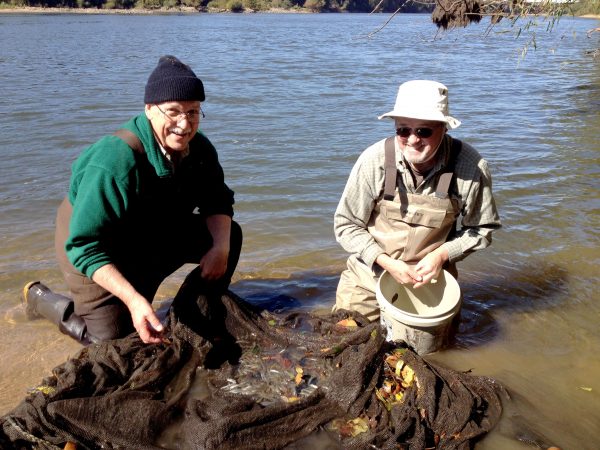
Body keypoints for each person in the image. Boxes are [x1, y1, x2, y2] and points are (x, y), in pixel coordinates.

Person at [23, 55, 242, 345]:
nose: (184, 124)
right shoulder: (114, 161)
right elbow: (84, 246)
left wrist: (221, 247)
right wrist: (133, 300)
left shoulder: (199, 148)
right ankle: (40, 298)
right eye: (173, 111)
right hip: (94, 244)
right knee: (111, 342)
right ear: (149, 109)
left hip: (147, 232)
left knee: (228, 236)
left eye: (193, 112)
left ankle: (190, 315)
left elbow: (217, 200)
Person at [333, 80, 501, 322]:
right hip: (367, 279)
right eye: (403, 130)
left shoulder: (471, 167)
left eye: (423, 131)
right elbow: (346, 224)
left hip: (431, 284)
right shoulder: (374, 160)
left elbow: (482, 229)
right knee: (345, 339)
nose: (412, 140)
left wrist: (441, 255)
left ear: (444, 128)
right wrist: (386, 262)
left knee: (431, 354)